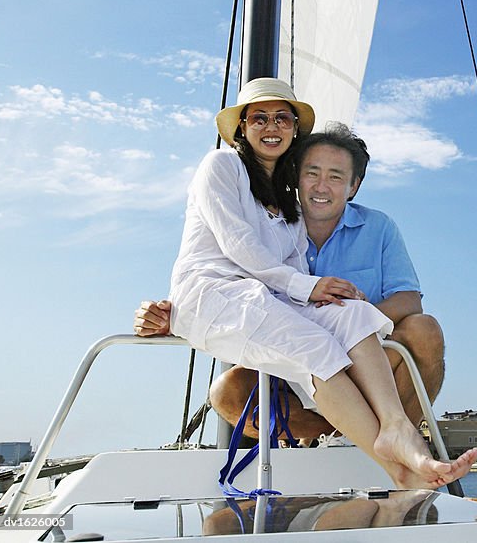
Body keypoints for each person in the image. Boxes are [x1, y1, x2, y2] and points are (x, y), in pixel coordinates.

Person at [163, 77, 476, 488]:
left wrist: (332, 301)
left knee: (354, 317)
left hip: (267, 301)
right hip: (217, 295)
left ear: (294, 128)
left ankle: (398, 429)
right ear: (241, 127)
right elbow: (237, 244)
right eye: (259, 118)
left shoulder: (288, 207)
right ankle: (392, 465)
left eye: (282, 117)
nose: (271, 126)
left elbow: (293, 270)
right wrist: (309, 289)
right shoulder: (220, 167)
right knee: (314, 345)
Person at [135, 125, 444, 440]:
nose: (321, 187)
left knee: (424, 330)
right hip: (288, 363)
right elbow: (226, 271)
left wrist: (355, 324)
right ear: (296, 175)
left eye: (336, 177)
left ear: (354, 186)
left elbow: (408, 300)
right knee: (226, 392)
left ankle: (397, 439)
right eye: (312, 173)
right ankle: (338, 436)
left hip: (368, 356)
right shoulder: (267, 223)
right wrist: (165, 315)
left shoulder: (379, 226)